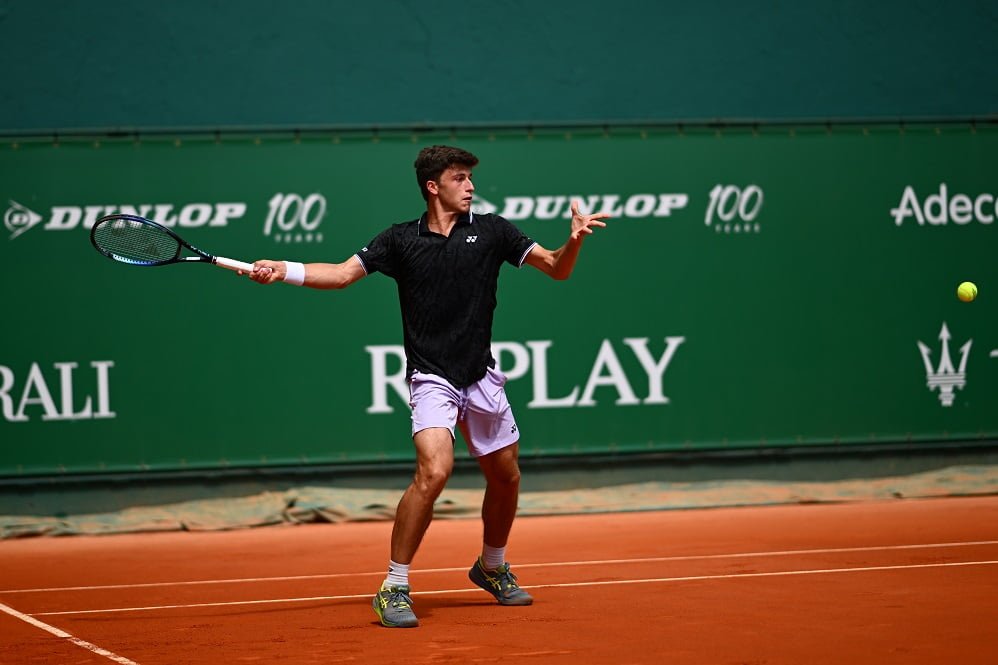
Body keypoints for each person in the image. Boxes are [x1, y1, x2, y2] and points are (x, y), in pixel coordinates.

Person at [245, 145, 609, 628]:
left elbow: (557, 268)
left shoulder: (495, 230)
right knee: (433, 472)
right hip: (431, 374)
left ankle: (491, 566)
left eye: (471, 178)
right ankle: (394, 586)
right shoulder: (400, 241)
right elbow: (340, 274)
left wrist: (576, 241)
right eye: (460, 178)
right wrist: (282, 269)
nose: (471, 186)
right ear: (433, 186)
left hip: (480, 374)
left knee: (506, 476)